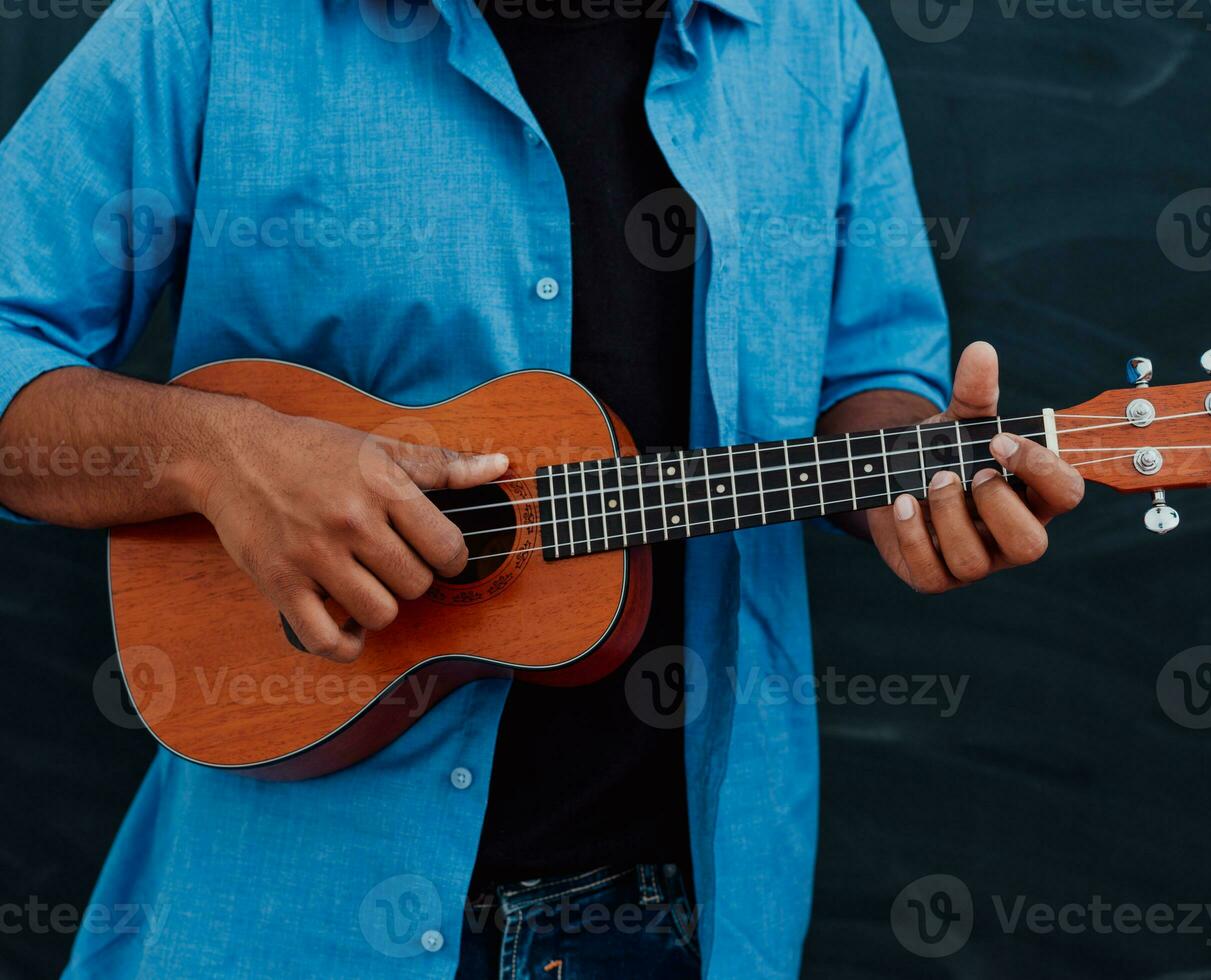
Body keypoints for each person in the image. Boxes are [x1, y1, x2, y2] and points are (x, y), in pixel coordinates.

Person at [0, 0, 1083, 976]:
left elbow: (865, 378)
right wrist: (217, 452)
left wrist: (916, 475)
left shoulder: (811, 41)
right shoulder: (217, 24)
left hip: (684, 920)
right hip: (296, 914)